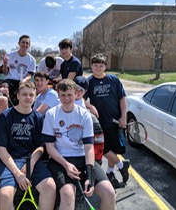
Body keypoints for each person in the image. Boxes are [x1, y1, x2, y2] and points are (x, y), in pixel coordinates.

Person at [42, 79, 115, 210]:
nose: (66, 98)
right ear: (58, 95)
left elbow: (88, 148)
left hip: (82, 159)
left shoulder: (84, 115)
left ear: (76, 94)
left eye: (69, 95)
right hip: (60, 160)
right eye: (63, 95)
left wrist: (90, 176)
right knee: (68, 195)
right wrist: (66, 165)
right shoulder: (51, 114)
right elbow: (50, 148)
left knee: (109, 192)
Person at [0, 81, 56, 210]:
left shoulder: (38, 117)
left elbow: (40, 147)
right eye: (24, 94)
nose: (28, 98)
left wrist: (30, 164)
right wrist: (18, 174)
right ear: (17, 96)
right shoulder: (6, 116)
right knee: (5, 195)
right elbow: (1, 150)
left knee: (50, 187)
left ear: (35, 97)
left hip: (30, 160)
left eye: (31, 95)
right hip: (9, 161)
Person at [84, 53, 130, 189]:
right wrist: (91, 106)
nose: (98, 68)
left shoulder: (113, 80)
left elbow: (122, 98)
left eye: (101, 65)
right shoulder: (89, 82)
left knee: (114, 150)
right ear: (91, 66)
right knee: (104, 149)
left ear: (105, 66)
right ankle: (122, 165)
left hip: (115, 121)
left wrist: (123, 117)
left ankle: (110, 173)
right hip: (99, 123)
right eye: (95, 65)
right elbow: (81, 98)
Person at [1, 35, 36, 105]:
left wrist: (24, 80)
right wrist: (5, 64)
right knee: (4, 86)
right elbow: (5, 73)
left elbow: (29, 75)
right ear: (19, 43)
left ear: (29, 45)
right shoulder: (10, 55)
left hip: (22, 81)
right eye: (23, 42)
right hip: (10, 80)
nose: (25, 45)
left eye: (27, 43)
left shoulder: (32, 60)